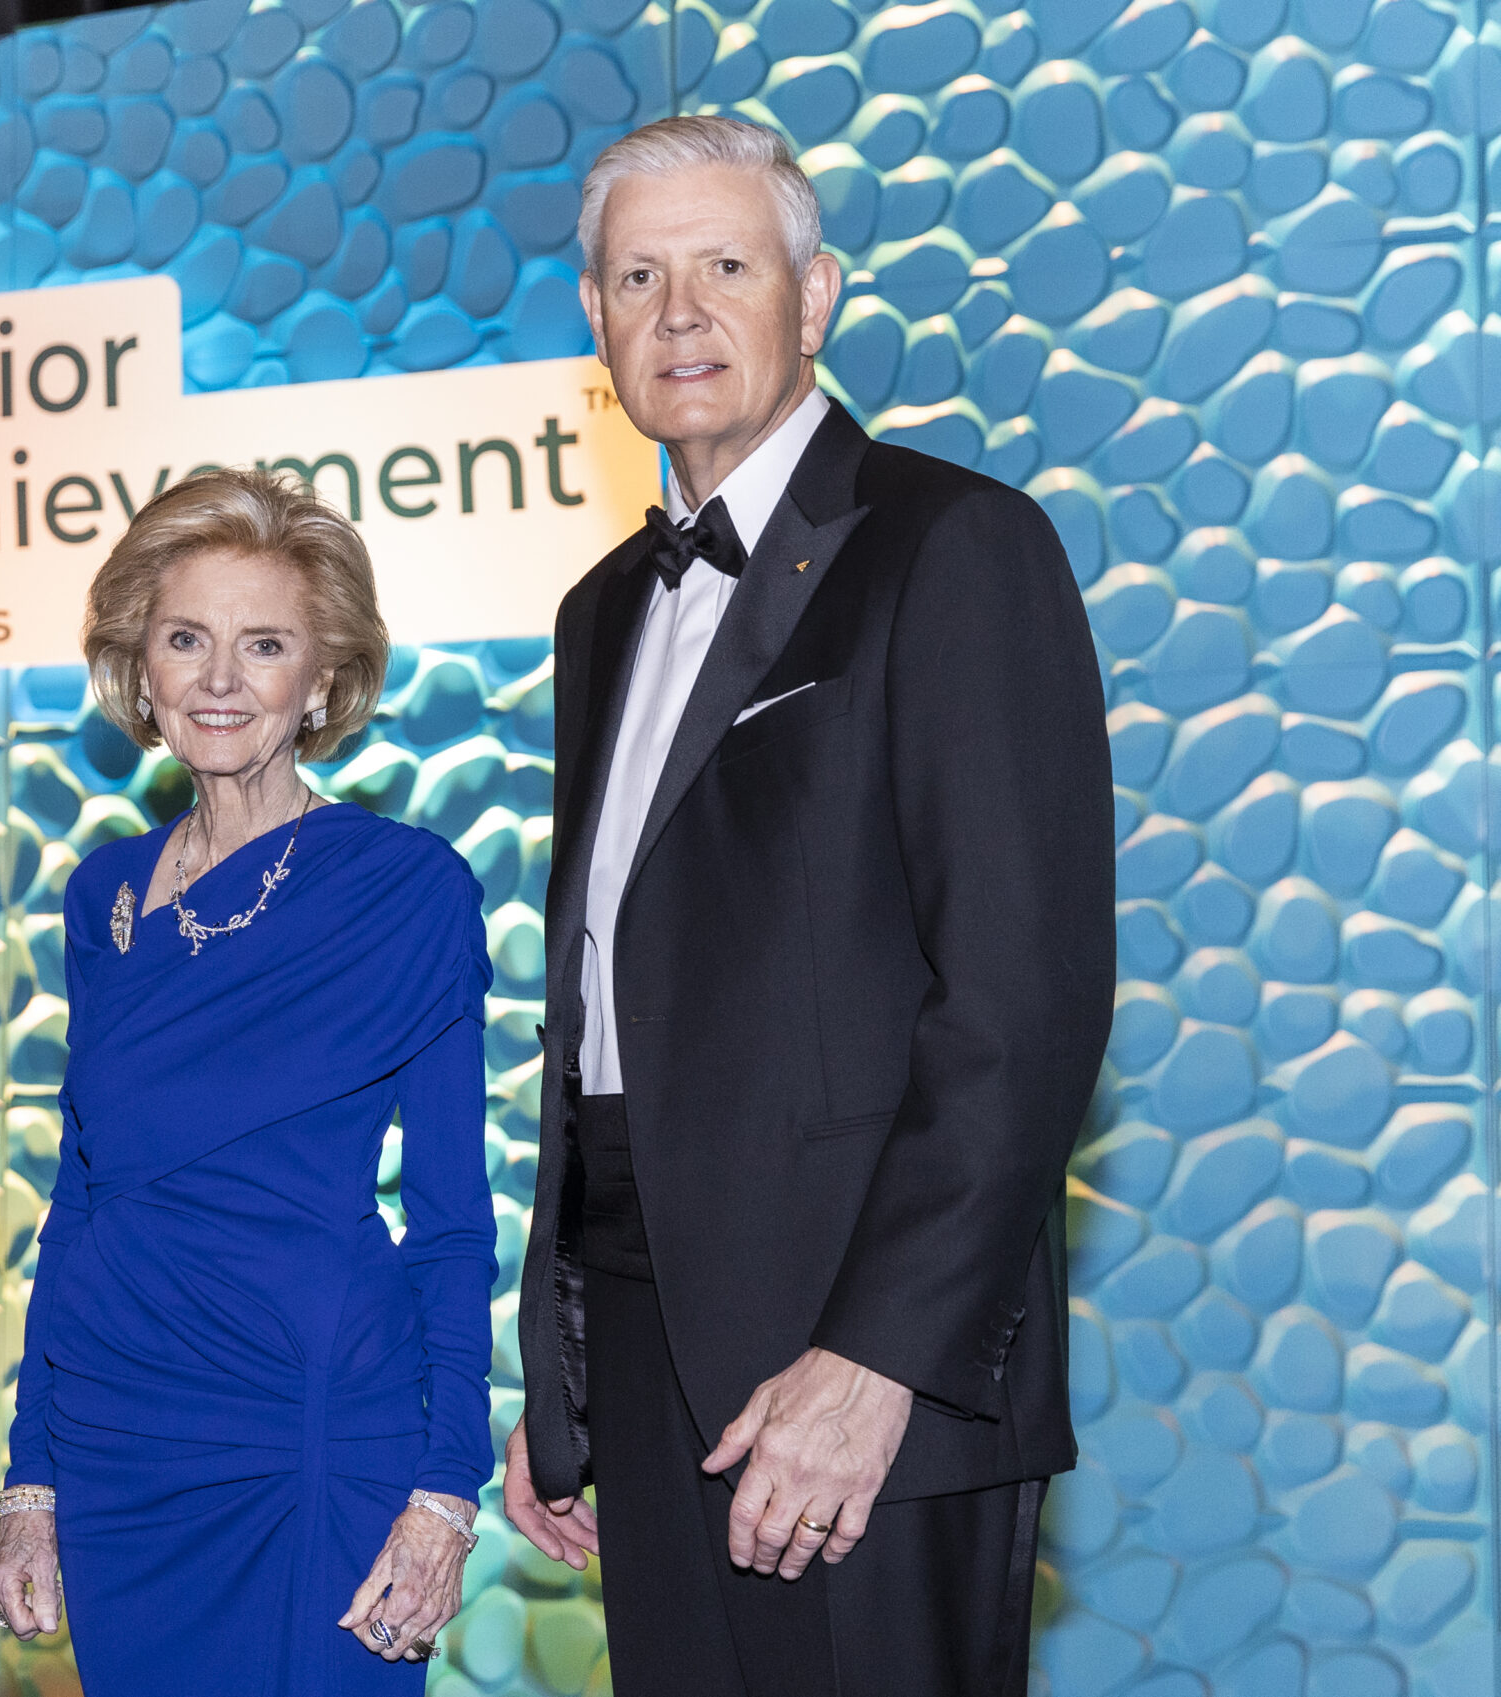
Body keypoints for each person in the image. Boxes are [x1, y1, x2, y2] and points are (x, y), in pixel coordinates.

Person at [502, 116, 1114, 1695]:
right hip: (645, 1350)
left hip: (854, 1360)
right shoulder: (598, 613)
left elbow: (1020, 1009)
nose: (681, 313)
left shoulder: (956, 545)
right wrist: (562, 1361)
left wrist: (879, 1357)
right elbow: (612, 1008)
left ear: (817, 294)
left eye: (726, 265)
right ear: (595, 317)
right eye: (639, 275)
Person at [0, 469, 497, 1691]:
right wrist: (30, 1475)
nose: (220, 679)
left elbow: (453, 1224)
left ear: (320, 679)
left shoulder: (405, 888)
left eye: (263, 644)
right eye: (186, 640)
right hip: (118, 1450)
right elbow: (81, 1202)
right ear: (139, 669)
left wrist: (444, 1493)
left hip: (308, 1435)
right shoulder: (99, 892)